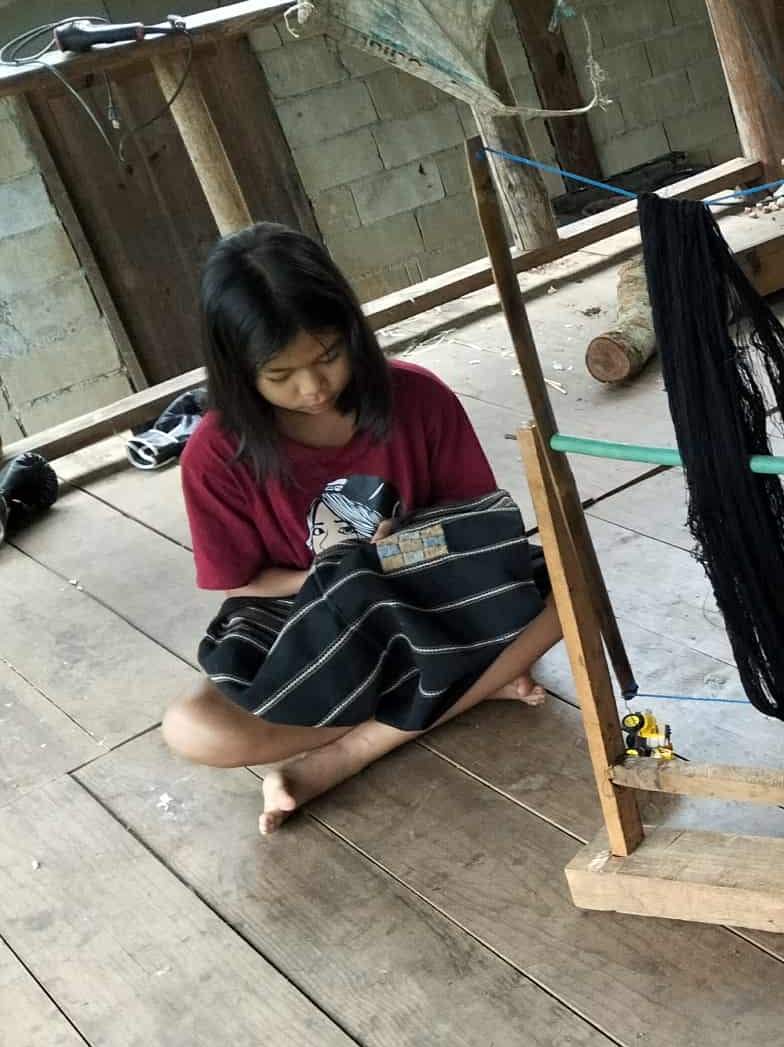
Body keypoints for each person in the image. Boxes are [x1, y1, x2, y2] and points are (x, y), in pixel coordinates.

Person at [161, 223, 562, 835]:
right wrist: (336, 572)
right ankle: (468, 685)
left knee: (574, 591)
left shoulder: (418, 397)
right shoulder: (216, 454)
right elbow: (242, 584)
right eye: (280, 375)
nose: (313, 388)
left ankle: (348, 752)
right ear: (238, 371)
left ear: (352, 331)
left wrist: (402, 549)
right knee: (193, 728)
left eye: (327, 357)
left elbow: (478, 531)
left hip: (421, 588)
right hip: (307, 610)